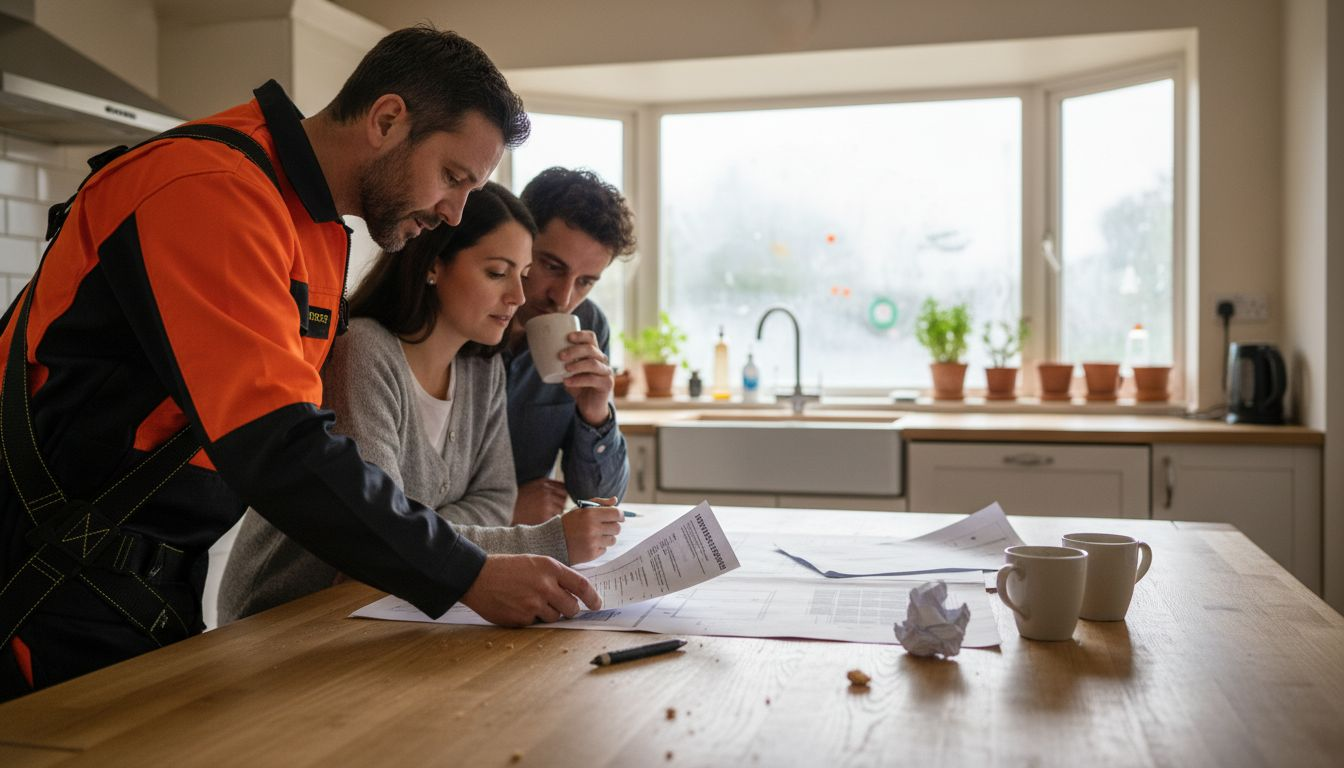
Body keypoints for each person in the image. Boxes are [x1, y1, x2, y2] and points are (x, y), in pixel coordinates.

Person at [0, 26, 598, 699]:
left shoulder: (310, 226)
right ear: (387, 119)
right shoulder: (212, 189)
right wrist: (467, 574)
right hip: (45, 571)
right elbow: (279, 443)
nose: (456, 211)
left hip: (141, 577)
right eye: (453, 177)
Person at [217, 183, 622, 623]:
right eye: (498, 273)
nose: (520, 298)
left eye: (520, 274)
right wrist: (544, 541)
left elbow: (490, 500)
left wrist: (414, 523)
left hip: (393, 607)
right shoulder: (363, 352)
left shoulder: (481, 367)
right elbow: (373, 537)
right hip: (292, 616)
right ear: (434, 265)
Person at [506, 168, 638, 524]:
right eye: (552, 266)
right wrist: (504, 509)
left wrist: (596, 413)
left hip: (525, 549)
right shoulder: (468, 317)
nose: (563, 298)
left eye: (585, 282)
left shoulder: (590, 326)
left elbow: (599, 500)